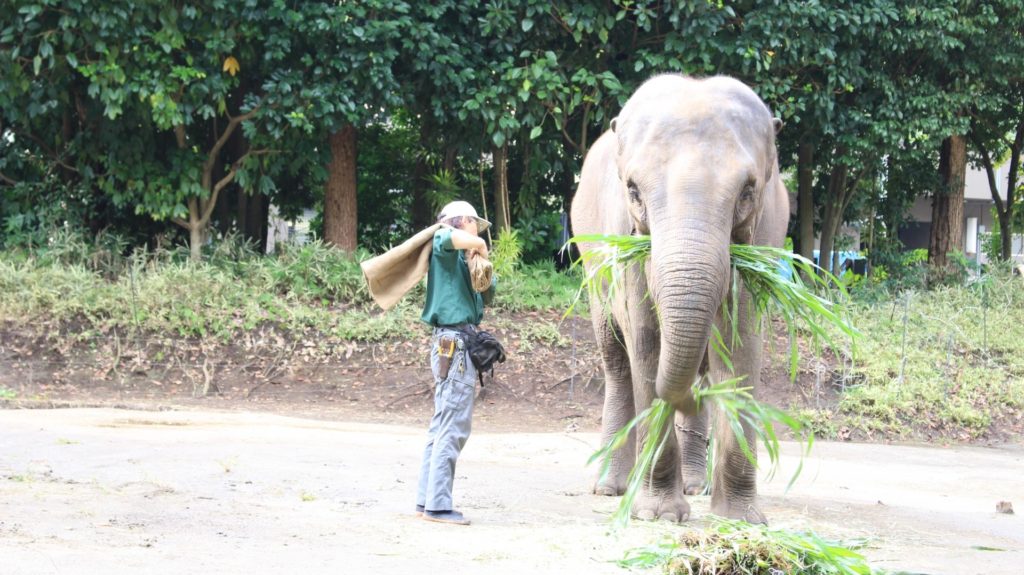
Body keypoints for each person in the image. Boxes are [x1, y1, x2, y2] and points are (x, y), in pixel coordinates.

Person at [415, 200, 494, 526]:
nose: (479, 232)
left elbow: (487, 296)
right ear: (462, 222)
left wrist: (482, 265)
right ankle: (437, 506)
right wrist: (477, 244)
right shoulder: (443, 247)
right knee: (453, 426)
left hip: (459, 345)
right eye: (475, 225)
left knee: (441, 425)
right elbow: (443, 238)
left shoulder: (464, 261)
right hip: (454, 346)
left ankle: (426, 500)